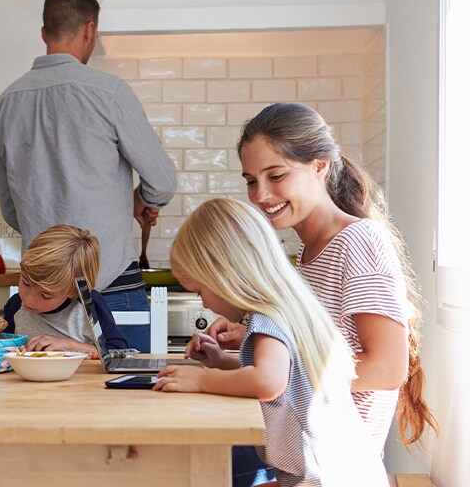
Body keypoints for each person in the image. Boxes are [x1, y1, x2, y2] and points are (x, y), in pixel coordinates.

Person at [203, 103, 437, 452]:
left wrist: (270, 371)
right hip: (302, 459)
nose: (261, 195)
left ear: (319, 166)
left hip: (334, 467)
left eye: (276, 176)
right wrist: (241, 354)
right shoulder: (310, 254)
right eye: (252, 181)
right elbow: (317, 359)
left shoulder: (358, 242)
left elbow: (386, 368)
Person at [0, 0, 177, 353]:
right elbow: (163, 183)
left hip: (39, 296)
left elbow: (12, 212)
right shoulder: (109, 92)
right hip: (111, 285)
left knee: (32, 398)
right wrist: (138, 200)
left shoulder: (3, 106)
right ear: (90, 29)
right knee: (121, 391)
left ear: (44, 33)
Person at [155, 198, 389, 486]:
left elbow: (268, 382)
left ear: (226, 275)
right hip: (343, 473)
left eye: (200, 289)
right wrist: (222, 361)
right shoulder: (289, 307)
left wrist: (201, 380)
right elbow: (289, 373)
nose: (202, 300)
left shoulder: (268, 317)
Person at [2, 224, 126, 355]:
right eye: (26, 283)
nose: (29, 299)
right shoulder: (15, 306)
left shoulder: (89, 305)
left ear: (73, 292)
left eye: (46, 295)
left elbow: (119, 353)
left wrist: (70, 345)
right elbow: (2, 351)